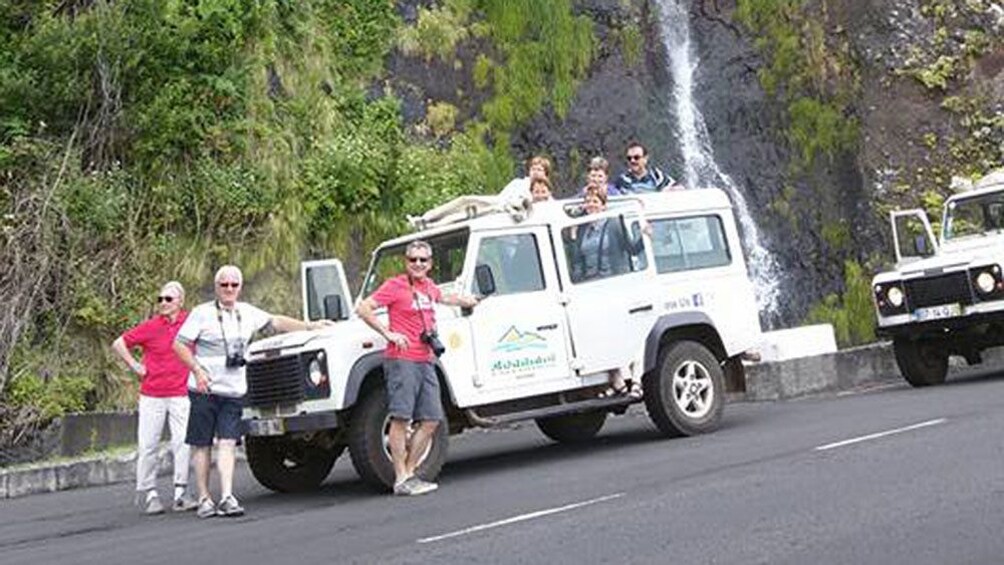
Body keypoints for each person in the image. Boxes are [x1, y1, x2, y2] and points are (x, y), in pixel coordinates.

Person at [173, 265, 334, 518]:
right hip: (204, 390)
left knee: (227, 442)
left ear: (240, 287)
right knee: (202, 444)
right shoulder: (201, 314)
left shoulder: (246, 312)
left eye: (233, 285)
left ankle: (227, 496)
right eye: (224, 285)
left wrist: (309, 326)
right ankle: (204, 497)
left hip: (234, 391)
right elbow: (179, 345)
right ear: (216, 287)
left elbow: (275, 322)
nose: (229, 289)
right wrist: (196, 370)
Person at [356, 241, 480, 496]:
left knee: (432, 418)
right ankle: (400, 477)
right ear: (406, 262)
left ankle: (410, 472)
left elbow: (444, 297)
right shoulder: (395, 285)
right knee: (401, 417)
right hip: (402, 360)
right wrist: (388, 333)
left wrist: (468, 300)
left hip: (426, 359)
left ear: (430, 264)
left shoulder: (428, 287)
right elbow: (364, 308)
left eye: (423, 260)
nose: (418, 264)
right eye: (413, 260)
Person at [111, 281, 198, 515]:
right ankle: (150, 493)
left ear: (180, 301)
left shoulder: (191, 322)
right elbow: (119, 343)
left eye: (168, 299)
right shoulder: (151, 326)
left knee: (183, 443)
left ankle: (181, 492)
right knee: (148, 444)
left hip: (181, 393)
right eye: (160, 299)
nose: (163, 303)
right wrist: (135, 365)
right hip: (152, 394)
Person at [568, 188, 646, 399]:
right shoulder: (583, 228)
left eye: (595, 201)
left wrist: (644, 235)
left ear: (603, 204)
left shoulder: (613, 224)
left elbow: (631, 249)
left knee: (624, 335)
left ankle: (636, 381)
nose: (590, 204)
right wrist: (573, 237)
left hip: (613, 286)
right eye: (588, 201)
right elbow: (577, 259)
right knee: (601, 336)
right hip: (591, 288)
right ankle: (618, 381)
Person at [614, 142, 681, 193]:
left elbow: (679, 188)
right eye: (629, 158)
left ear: (645, 158)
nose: (632, 161)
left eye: (636, 157)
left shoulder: (656, 175)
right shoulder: (622, 181)